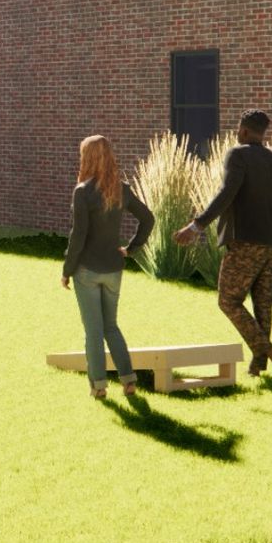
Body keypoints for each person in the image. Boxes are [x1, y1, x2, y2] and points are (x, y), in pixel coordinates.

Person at [174, 109, 272, 378]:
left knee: (228, 301)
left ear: (244, 131)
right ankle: (259, 366)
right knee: (262, 303)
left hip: (245, 242)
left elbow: (227, 192)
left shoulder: (238, 155)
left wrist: (197, 224)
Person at [63, 135, 156, 399]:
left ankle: (99, 386)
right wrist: (132, 248)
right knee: (111, 327)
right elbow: (147, 219)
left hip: (87, 270)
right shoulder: (122, 189)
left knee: (93, 331)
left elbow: (78, 236)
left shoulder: (82, 191)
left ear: (87, 157)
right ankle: (128, 381)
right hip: (114, 269)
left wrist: (67, 270)